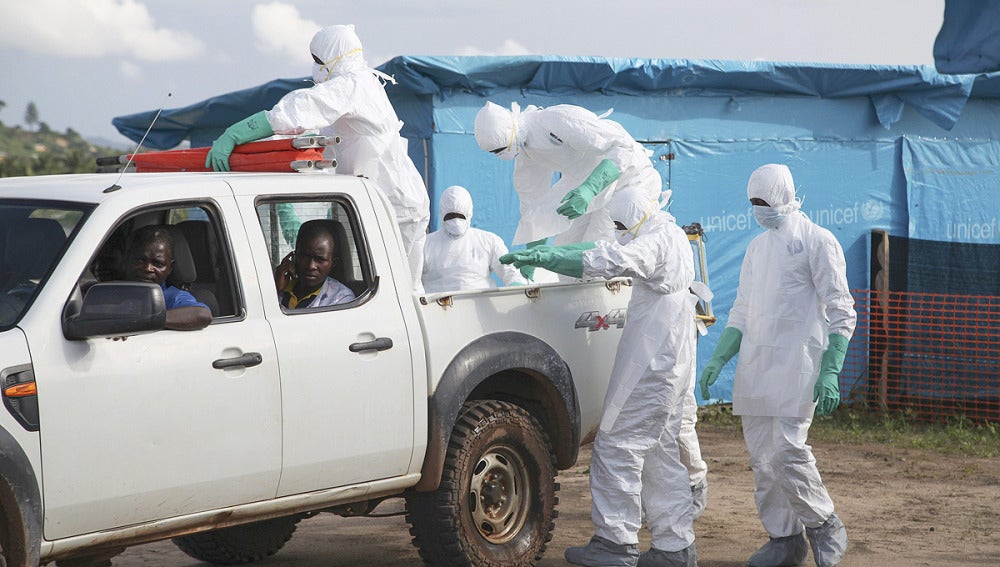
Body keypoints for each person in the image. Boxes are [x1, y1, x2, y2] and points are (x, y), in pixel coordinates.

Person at [502, 186, 698, 567]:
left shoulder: (654, 243)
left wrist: (549, 257)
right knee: (660, 453)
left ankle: (616, 542)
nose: (621, 231)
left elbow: (611, 259)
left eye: (623, 225)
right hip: (671, 362)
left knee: (616, 446)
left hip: (653, 365)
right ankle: (675, 548)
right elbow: (607, 250)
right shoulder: (670, 233)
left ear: (637, 217)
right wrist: (558, 254)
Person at [699, 164, 856, 567]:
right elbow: (741, 310)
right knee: (763, 459)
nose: (758, 210)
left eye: (763, 202)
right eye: (753, 203)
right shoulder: (757, 248)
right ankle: (784, 539)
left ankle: (824, 524)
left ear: (783, 196)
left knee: (788, 450)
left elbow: (842, 310)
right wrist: (719, 357)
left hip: (798, 368)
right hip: (756, 369)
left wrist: (831, 369)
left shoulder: (817, 241)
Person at [205, 24, 430, 292]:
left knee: (400, 293)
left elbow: (298, 110)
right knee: (400, 290)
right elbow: (312, 132)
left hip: (394, 206)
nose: (315, 68)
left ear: (333, 57)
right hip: (389, 203)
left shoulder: (352, 85)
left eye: (318, 60)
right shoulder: (360, 86)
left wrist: (237, 132)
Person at [473, 101, 662, 280]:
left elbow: (622, 147)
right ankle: (578, 308)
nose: (500, 155)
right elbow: (532, 202)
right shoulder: (524, 151)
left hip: (629, 180)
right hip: (587, 190)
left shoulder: (554, 120)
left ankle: (608, 308)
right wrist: (532, 255)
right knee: (564, 252)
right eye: (495, 152)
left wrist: (589, 188)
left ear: (512, 130)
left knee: (597, 256)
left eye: (501, 148)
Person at [422, 185, 526, 293]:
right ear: (442, 213)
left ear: (469, 213)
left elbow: (509, 272)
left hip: (479, 306)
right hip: (436, 307)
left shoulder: (489, 241)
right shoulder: (425, 244)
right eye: (450, 216)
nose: (456, 222)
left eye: (460, 216)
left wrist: (516, 286)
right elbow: (411, 281)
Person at [125, 225, 212, 331]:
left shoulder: (172, 297)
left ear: (170, 268)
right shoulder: (111, 291)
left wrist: (143, 321)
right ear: (128, 259)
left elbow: (202, 314)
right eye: (140, 260)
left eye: (158, 264)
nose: (148, 268)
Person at [274, 219, 356, 308]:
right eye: (304, 256)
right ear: (294, 257)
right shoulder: (283, 286)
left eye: (320, 259)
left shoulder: (341, 298)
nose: (311, 266)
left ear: (333, 263)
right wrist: (275, 290)